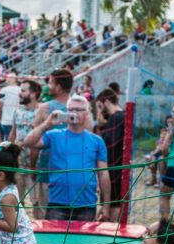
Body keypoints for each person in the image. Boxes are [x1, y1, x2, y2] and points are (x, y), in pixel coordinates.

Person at [24, 94, 110, 222]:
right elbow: (28, 142)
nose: (74, 113)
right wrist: (46, 124)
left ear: (86, 113)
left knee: (83, 241)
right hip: (57, 202)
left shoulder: (96, 141)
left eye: (78, 110)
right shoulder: (53, 135)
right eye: (71, 109)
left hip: (86, 203)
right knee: (55, 241)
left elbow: (103, 174)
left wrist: (106, 206)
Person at [30, 69, 75, 217]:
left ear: (59, 86)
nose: (48, 86)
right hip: (73, 170)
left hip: (48, 169)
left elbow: (34, 141)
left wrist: (32, 167)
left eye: (50, 82)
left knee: (44, 215)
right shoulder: (79, 107)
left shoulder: (45, 108)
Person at [96, 87, 127, 222]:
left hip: (113, 168)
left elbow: (107, 145)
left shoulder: (115, 118)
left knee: (113, 205)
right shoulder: (124, 115)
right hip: (122, 167)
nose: (99, 110)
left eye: (100, 106)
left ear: (106, 102)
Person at [8, 80, 40, 200]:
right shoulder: (17, 112)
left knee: (37, 202)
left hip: (35, 166)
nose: (19, 94)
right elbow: (13, 132)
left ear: (32, 94)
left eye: (23, 90)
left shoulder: (41, 112)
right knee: (17, 202)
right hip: (18, 165)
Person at [0, 73, 21, 137]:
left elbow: (0, 105)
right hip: (17, 119)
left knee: (7, 140)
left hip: (5, 119)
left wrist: (0, 115)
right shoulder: (20, 90)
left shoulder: (3, 90)